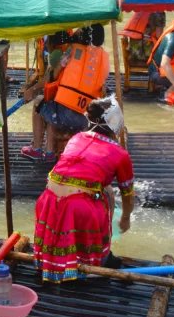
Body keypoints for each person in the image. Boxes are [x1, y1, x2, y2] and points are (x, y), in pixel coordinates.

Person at [33, 96, 133, 283]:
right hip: (79, 208)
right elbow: (127, 192)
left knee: (104, 191)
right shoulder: (120, 154)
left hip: (47, 200)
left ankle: (54, 264)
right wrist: (125, 218)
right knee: (106, 196)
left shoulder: (77, 138)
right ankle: (98, 259)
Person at [22, 26, 109, 161]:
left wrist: (32, 90)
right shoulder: (102, 58)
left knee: (41, 101)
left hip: (66, 116)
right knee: (53, 103)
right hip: (88, 119)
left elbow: (50, 79)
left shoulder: (71, 52)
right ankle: (50, 152)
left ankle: (37, 148)